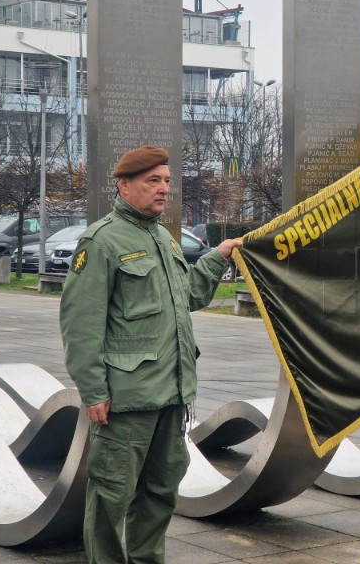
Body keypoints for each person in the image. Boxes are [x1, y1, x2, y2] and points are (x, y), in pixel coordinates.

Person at [59, 145, 242, 563]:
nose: (163, 190)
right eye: (152, 181)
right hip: (127, 398)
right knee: (111, 495)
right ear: (124, 186)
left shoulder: (163, 237)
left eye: (166, 182)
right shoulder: (101, 241)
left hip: (173, 393)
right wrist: (93, 391)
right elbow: (80, 325)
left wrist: (218, 255)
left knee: (161, 491)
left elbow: (190, 296)